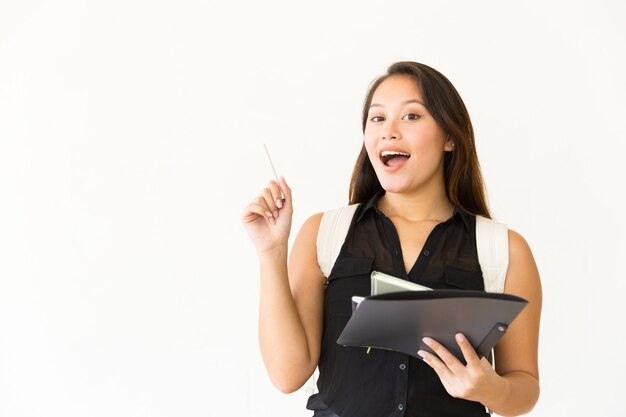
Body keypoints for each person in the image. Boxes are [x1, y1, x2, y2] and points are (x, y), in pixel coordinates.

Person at [241, 61, 542, 417]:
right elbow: (287, 375)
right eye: (377, 118)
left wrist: (491, 389)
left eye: (411, 116)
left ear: (449, 137)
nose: (389, 132)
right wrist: (271, 252)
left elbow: (524, 385)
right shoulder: (324, 233)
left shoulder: (503, 249)